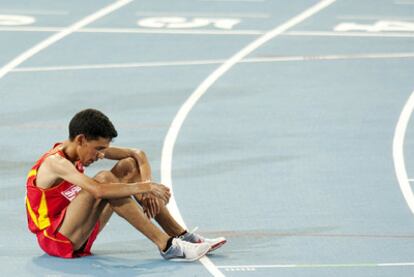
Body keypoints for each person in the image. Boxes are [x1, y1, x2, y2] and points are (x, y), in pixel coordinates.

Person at [25, 108, 226, 261]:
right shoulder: (55, 163)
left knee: (127, 166)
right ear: (81, 139)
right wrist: (146, 188)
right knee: (104, 179)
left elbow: (137, 155)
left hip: (78, 226)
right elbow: (98, 190)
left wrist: (146, 189)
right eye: (98, 149)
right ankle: (167, 245)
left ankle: (183, 236)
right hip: (56, 239)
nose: (100, 155)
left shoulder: (79, 150)